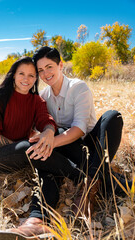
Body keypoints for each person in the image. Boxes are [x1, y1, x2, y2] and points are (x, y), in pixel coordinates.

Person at [0, 56, 96, 240]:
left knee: (44, 162)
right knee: (33, 146)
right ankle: (80, 176)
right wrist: (22, 145)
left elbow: (46, 120)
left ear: (36, 79)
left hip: (28, 154)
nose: (26, 79)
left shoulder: (36, 100)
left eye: (32, 75)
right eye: (21, 74)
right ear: (13, 75)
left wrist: (49, 132)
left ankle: (38, 221)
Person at [31, 46, 132, 213]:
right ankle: (106, 182)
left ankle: (89, 188)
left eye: (49, 67)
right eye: (40, 70)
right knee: (55, 132)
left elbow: (79, 129)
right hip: (71, 152)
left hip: (94, 146)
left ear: (60, 66)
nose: (45, 73)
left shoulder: (78, 87)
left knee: (113, 116)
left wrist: (51, 142)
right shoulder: (43, 97)